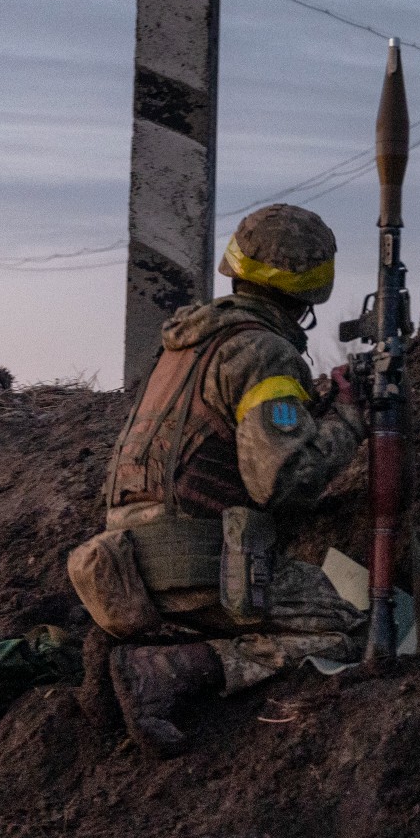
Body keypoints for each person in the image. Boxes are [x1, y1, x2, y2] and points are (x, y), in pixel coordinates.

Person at [78, 204, 368, 754]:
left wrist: (311, 416)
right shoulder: (263, 352)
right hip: (195, 572)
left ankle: (134, 650)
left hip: (122, 570)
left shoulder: (180, 347)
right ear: (306, 298)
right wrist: (350, 421)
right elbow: (281, 483)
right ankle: (172, 668)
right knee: (346, 627)